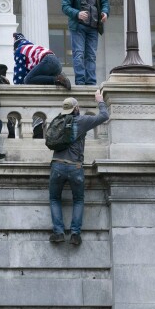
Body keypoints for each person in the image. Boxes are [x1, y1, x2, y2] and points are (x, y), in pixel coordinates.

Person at [48, 90, 110, 245]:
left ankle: (58, 232)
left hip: (57, 165)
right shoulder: (82, 120)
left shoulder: (58, 121)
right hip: (75, 166)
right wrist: (100, 100)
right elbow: (104, 116)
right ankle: (75, 234)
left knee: (55, 199)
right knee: (78, 199)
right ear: (76, 109)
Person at [61, 0, 109, 85]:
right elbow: (65, 6)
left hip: (93, 26)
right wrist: (77, 13)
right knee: (79, 54)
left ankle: (91, 82)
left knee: (91, 55)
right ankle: (80, 82)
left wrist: (105, 12)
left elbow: (105, 1)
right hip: (78, 27)